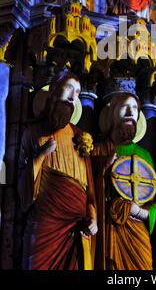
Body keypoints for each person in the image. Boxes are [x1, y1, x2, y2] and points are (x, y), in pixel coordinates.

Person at [18, 72, 97, 270]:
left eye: (78, 92)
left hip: (76, 228)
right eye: (69, 88)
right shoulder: (32, 132)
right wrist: (41, 155)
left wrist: (93, 217)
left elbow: (89, 189)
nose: (73, 96)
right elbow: (21, 183)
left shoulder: (80, 138)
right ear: (53, 89)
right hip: (45, 224)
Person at [92, 90, 156, 270]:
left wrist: (140, 212)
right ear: (112, 114)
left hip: (137, 230)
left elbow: (152, 200)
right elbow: (87, 191)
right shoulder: (97, 150)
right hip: (108, 226)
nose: (130, 113)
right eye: (124, 107)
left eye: (135, 108)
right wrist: (104, 169)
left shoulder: (144, 155)